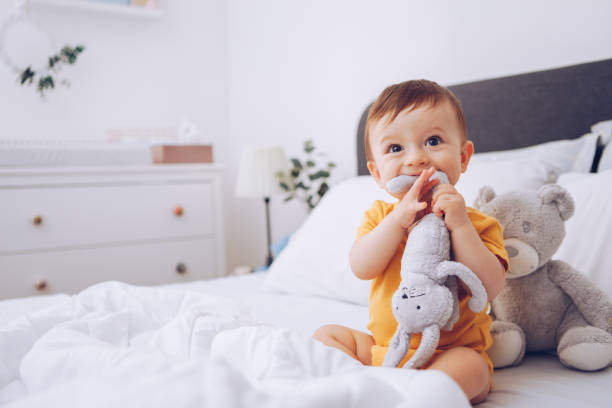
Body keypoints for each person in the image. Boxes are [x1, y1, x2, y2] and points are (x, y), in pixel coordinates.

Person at [312, 80, 509, 404]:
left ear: (463, 156)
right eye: (395, 148)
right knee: (326, 336)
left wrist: (459, 225)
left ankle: (409, 396)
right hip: (386, 349)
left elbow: (490, 286)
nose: (416, 158)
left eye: (433, 141)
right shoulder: (380, 217)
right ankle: (359, 388)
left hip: (449, 353)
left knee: (472, 367)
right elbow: (362, 267)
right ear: (377, 173)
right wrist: (397, 221)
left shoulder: (476, 223)